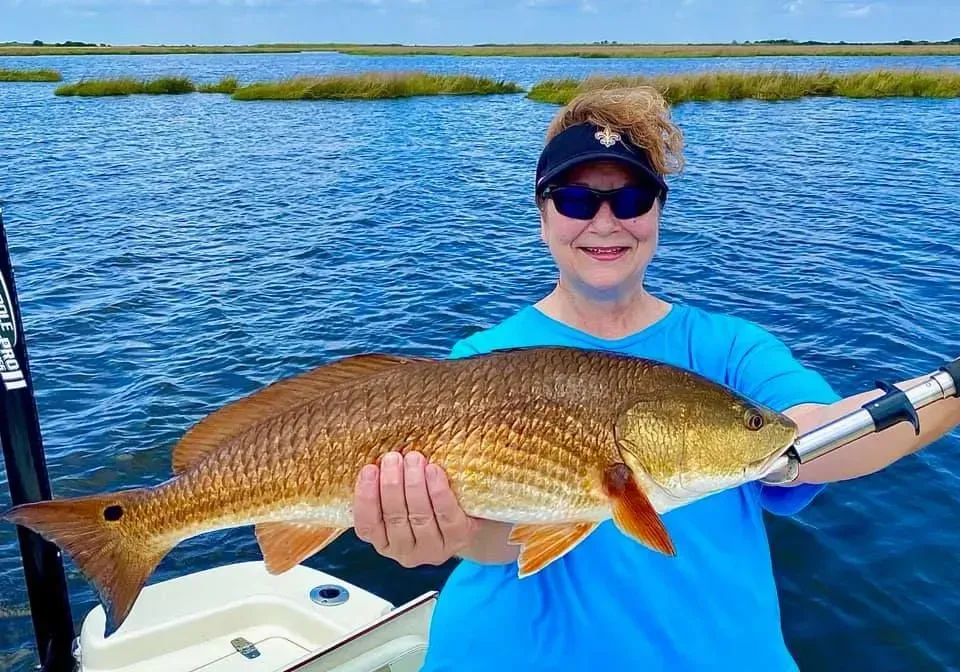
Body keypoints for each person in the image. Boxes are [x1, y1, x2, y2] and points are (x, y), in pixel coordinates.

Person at [351, 87, 960, 670]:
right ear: (543, 216)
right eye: (576, 200)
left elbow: (812, 433)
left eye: (632, 198)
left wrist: (949, 396)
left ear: (658, 211)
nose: (606, 221)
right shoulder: (482, 358)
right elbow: (490, 543)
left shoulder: (728, 347)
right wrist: (441, 536)